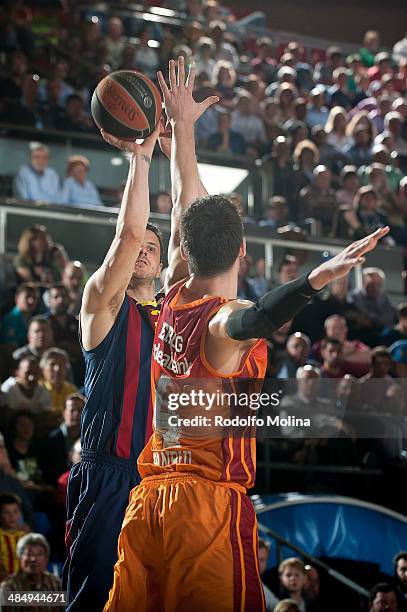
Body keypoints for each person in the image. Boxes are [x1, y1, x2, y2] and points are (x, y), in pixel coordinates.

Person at [105, 55, 389, 612]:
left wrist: (182, 132)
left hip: (149, 504)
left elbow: (192, 206)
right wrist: (313, 279)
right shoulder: (219, 318)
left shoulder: (174, 291)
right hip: (204, 510)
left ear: (184, 250)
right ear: (242, 251)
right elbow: (253, 319)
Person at [63, 71, 215, 610]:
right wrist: (142, 154)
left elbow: (188, 224)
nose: (147, 246)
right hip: (111, 477)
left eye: (157, 244)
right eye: (139, 244)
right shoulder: (102, 306)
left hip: (170, 482)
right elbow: (131, 233)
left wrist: (186, 135)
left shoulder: (174, 310)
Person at [0, 533, 61, 611]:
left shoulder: (56, 584)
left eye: (39, 554)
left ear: (46, 558)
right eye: (29, 554)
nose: (33, 559)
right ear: (20, 558)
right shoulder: (9, 587)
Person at [42, 393, 84, 485]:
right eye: (72, 410)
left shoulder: (89, 439)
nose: (76, 414)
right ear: (64, 412)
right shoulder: (52, 440)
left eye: (80, 410)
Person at [39, 348, 77, 414]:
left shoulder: (71, 390)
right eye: (52, 364)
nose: (57, 369)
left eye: (61, 365)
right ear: (43, 368)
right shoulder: (37, 388)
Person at [0, 493, 28, 580]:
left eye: (15, 511)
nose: (12, 516)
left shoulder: (25, 536)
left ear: (20, 513)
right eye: (6, 512)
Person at [258, 539, 280, 611]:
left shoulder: (261, 587)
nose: (257, 563)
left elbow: (278, 607)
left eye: (262, 560)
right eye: (254, 558)